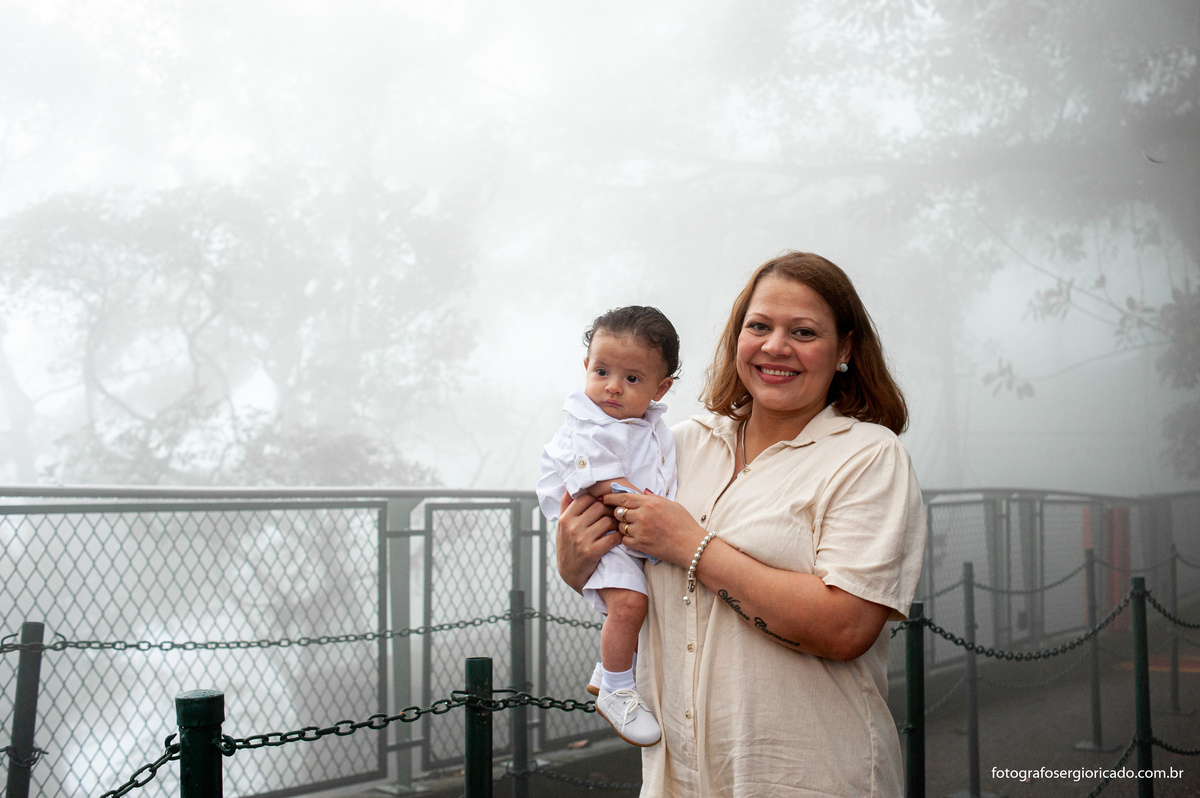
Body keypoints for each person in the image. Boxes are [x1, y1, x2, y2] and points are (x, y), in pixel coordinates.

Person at [555, 252, 927, 797]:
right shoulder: (675, 445)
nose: (776, 346)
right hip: (678, 781)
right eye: (759, 327)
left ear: (845, 349)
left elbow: (846, 627)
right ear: (737, 338)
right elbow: (615, 561)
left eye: (803, 331)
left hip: (808, 778)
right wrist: (574, 562)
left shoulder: (868, 456)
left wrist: (693, 546)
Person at [537, 306, 682, 747]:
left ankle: (607, 670)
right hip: (600, 528)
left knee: (639, 602)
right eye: (601, 371)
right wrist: (648, 507)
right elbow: (598, 480)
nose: (612, 387)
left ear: (661, 387)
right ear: (586, 367)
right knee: (630, 605)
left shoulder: (648, 426)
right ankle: (619, 692)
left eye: (632, 379)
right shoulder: (587, 423)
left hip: (621, 527)